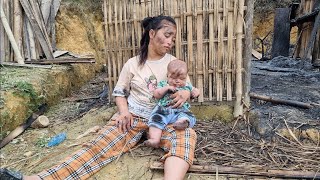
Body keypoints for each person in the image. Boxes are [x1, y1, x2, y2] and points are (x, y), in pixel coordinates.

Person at [0, 15, 197, 180]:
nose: (171, 41)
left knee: (187, 136)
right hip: (134, 116)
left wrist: (186, 93)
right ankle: (38, 179)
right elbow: (120, 92)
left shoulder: (175, 63)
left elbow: (188, 88)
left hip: (166, 119)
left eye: (174, 37)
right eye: (167, 35)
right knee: (99, 145)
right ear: (152, 34)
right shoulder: (132, 64)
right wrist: (124, 112)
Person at [145, 59, 200, 148]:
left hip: (181, 110)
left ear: (186, 77)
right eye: (174, 78)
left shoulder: (187, 86)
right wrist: (166, 88)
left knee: (188, 116)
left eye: (182, 79)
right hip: (163, 111)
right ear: (167, 76)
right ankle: (154, 140)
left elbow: (196, 90)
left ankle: (181, 123)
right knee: (155, 121)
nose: (177, 81)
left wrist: (195, 92)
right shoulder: (163, 84)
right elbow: (156, 94)